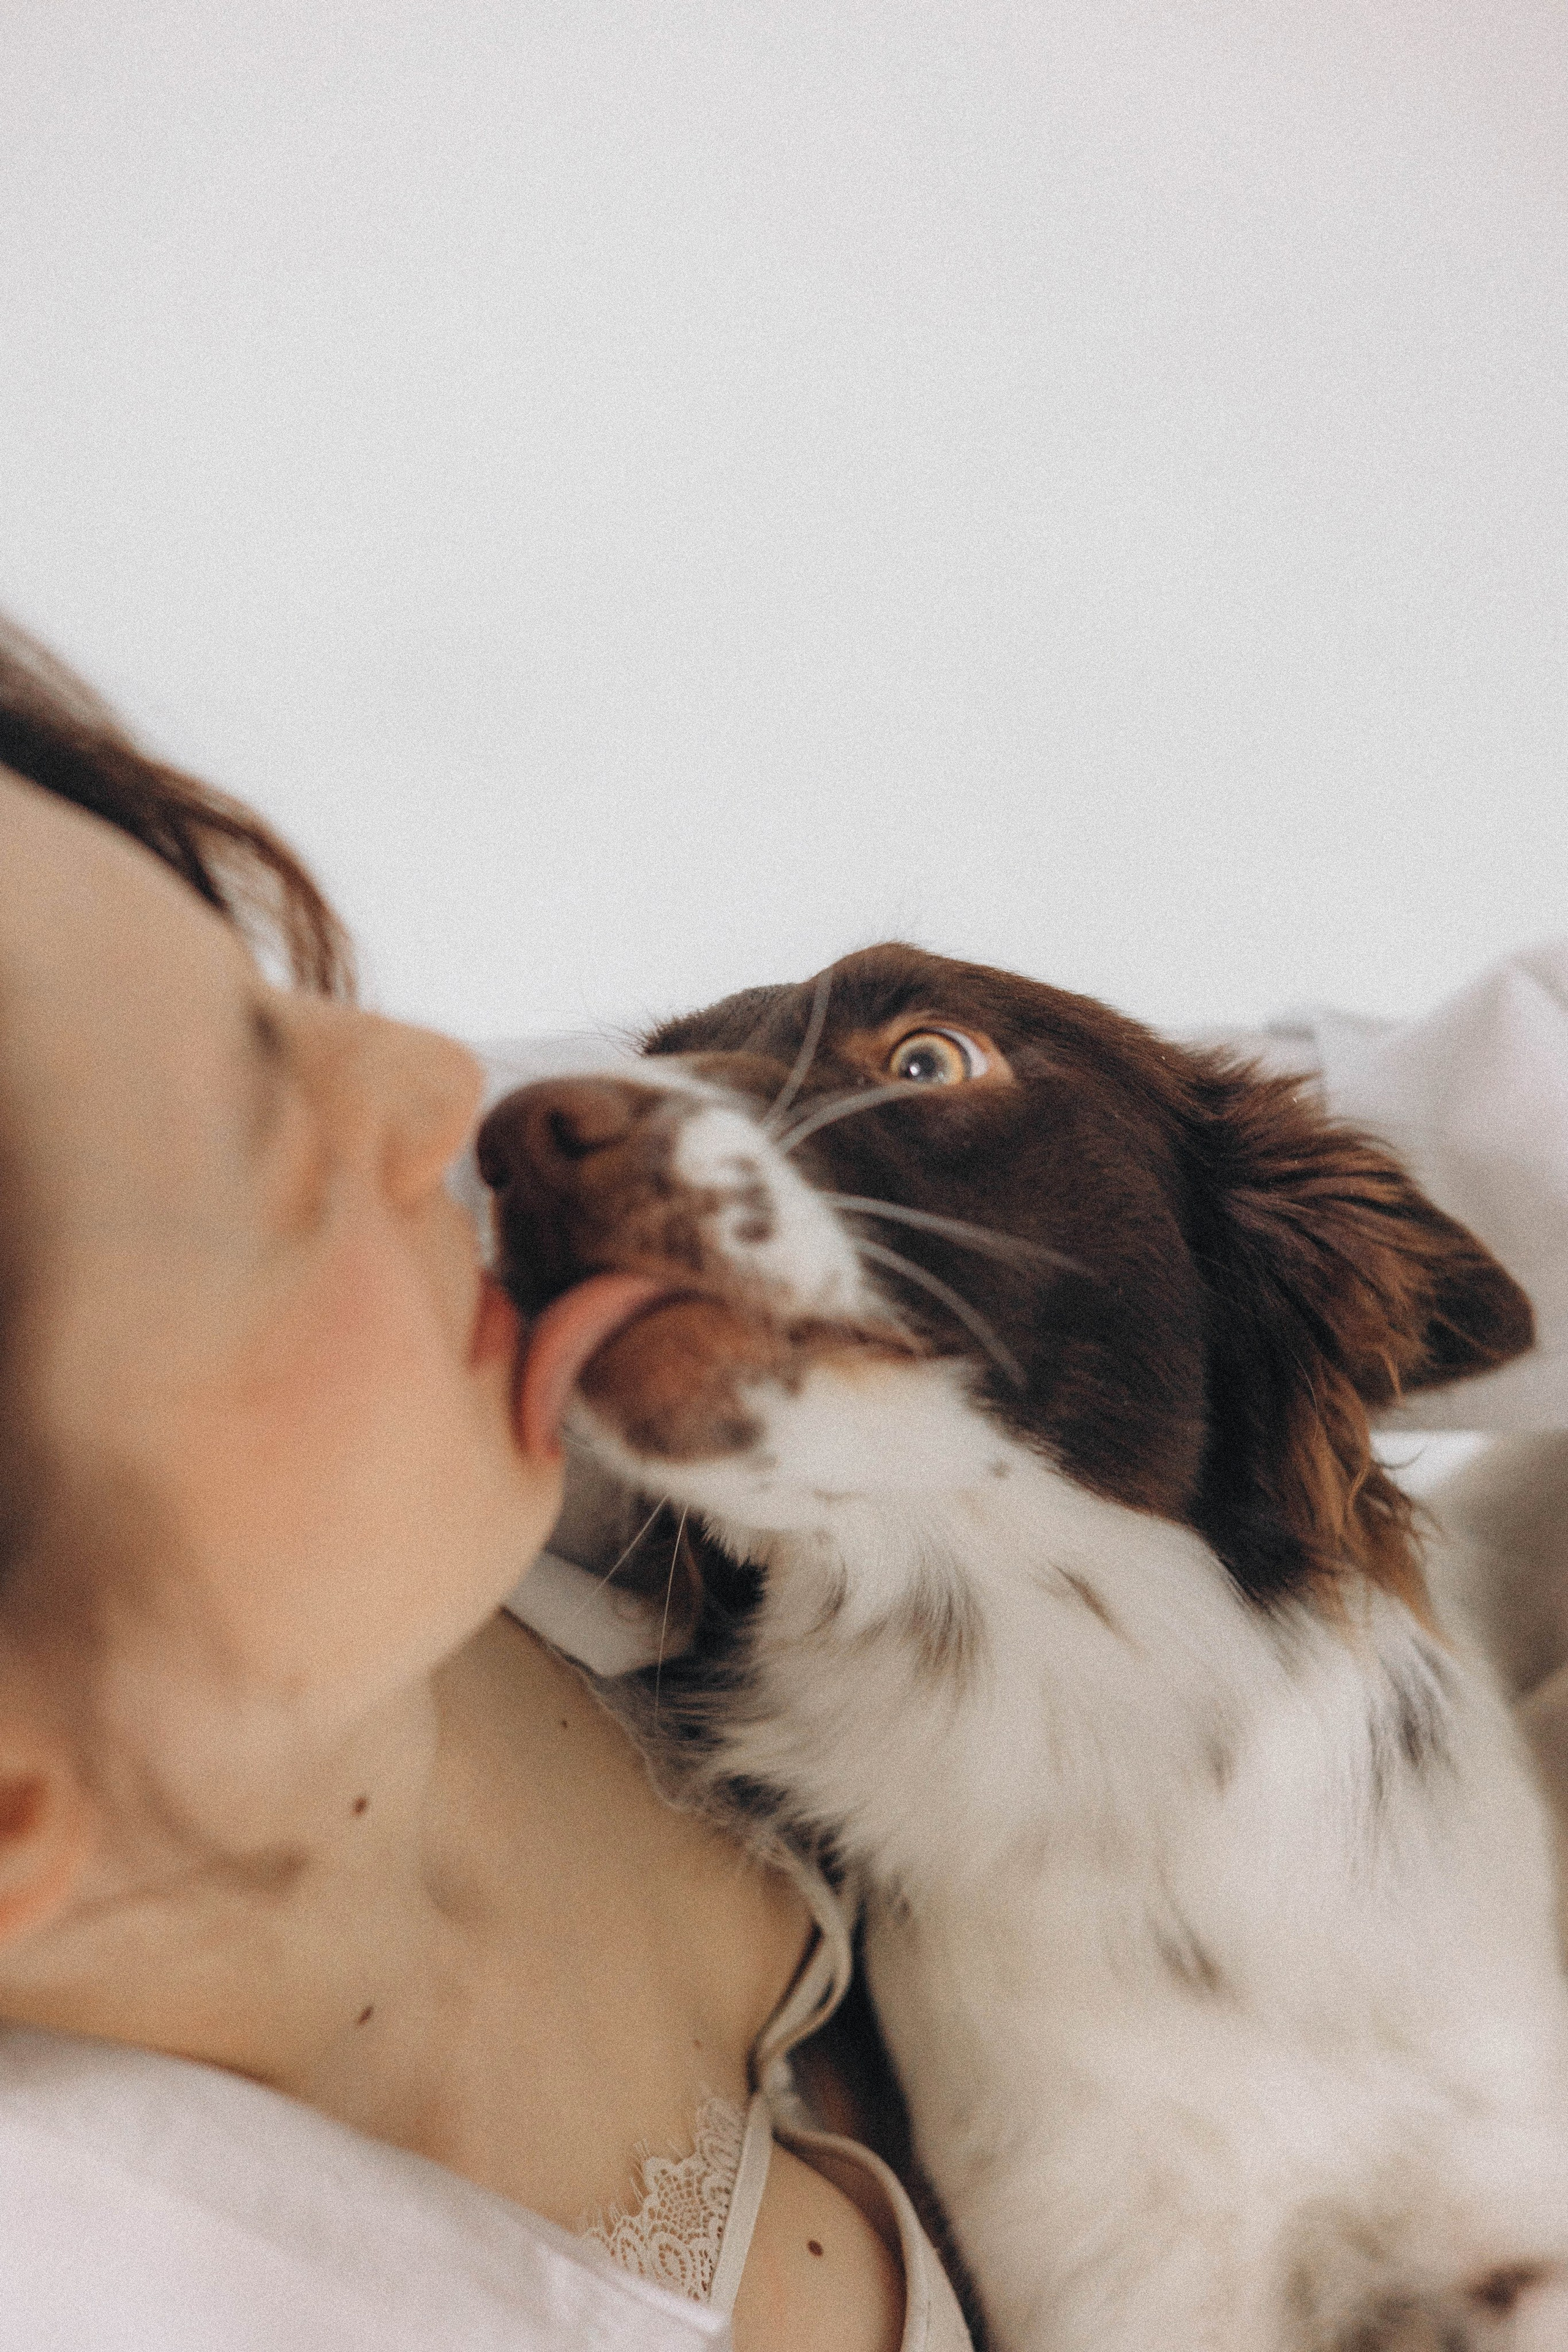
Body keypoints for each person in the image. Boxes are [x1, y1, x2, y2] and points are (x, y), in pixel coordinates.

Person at [0, 621, 971, 2351]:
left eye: (268, 998)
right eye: (285, 1168)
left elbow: (1242, 1209)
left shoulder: (522, 1351)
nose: (449, 1089)